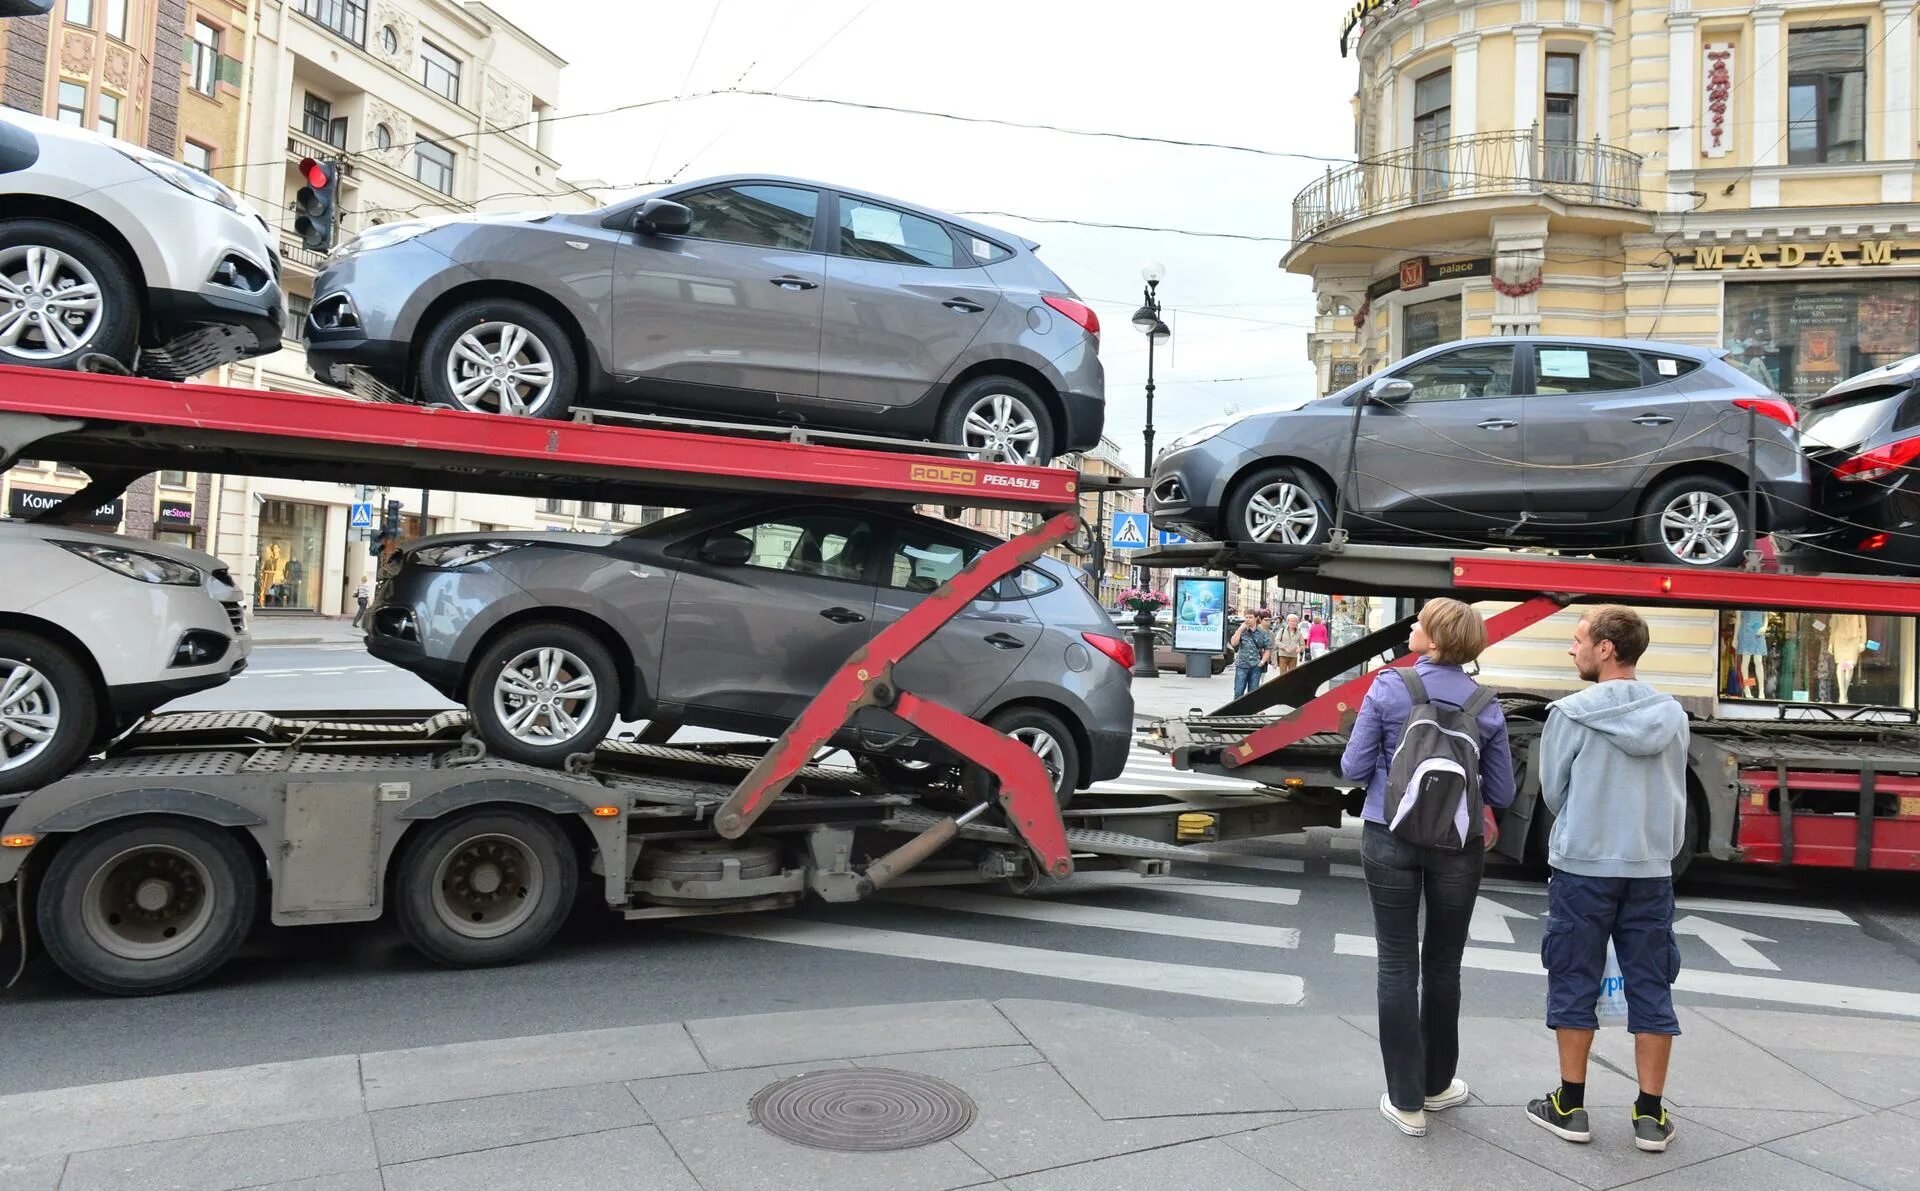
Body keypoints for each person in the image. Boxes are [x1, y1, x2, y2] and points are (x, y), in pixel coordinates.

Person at [1340, 598, 1516, 1137]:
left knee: (1396, 962)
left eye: (1419, 622)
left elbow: (1351, 766)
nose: (1411, 626)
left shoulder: (1389, 686)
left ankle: (1406, 1100)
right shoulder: (1486, 703)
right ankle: (1438, 1085)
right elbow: (1504, 789)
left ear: (1435, 641)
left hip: (1387, 832)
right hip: (1457, 844)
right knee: (1444, 963)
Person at [1528, 606, 1688, 1154]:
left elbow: (1554, 791)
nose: (1571, 651)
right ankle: (1650, 1114)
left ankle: (1570, 1105)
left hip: (1583, 867)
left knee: (1574, 976)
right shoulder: (1672, 714)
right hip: (1650, 868)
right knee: (1652, 982)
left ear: (1606, 650)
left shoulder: (1569, 714)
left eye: (1577, 641)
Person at [1229, 608, 1272, 700]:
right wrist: (1240, 630)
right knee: (1238, 691)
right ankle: (1237, 713)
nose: (1247, 619)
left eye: (1250, 617)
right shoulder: (1242, 631)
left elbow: (1268, 649)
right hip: (1241, 665)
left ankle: (1249, 713)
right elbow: (1233, 643)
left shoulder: (1262, 633)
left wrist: (1262, 662)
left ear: (1256, 618)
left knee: (1252, 693)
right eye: (1246, 617)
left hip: (1255, 666)